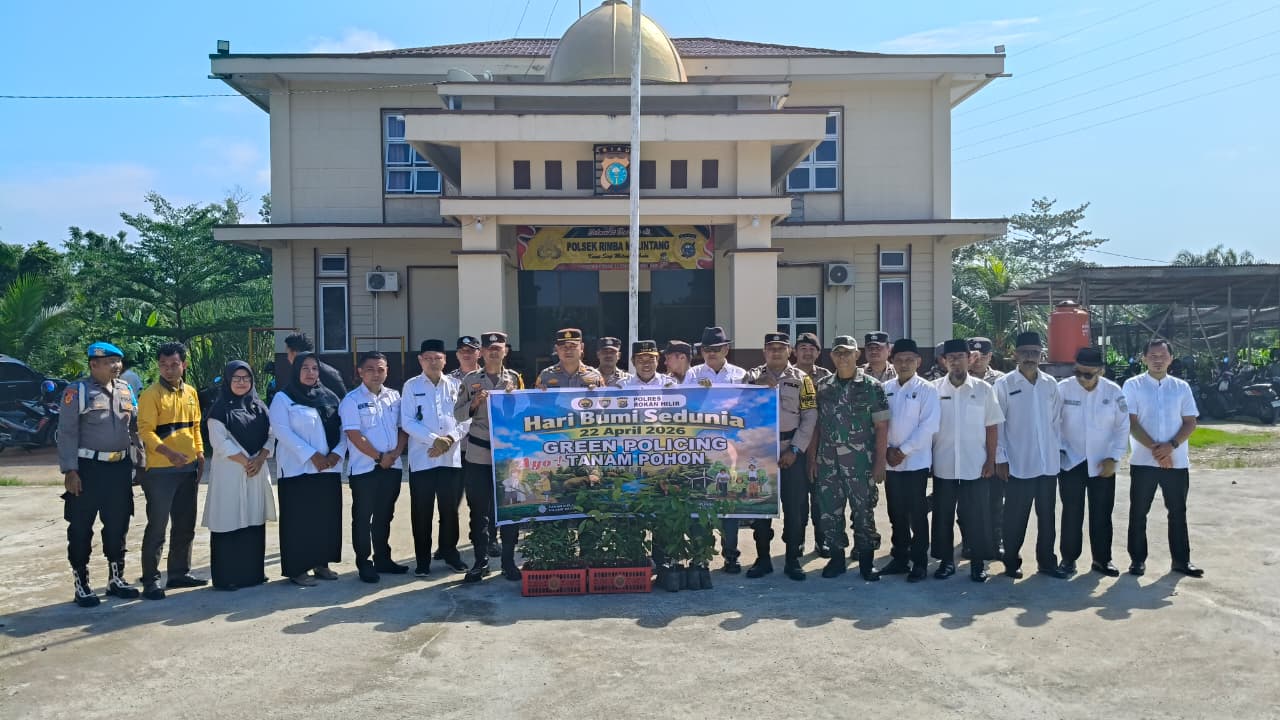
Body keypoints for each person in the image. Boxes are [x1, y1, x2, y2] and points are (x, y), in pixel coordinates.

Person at [57, 342, 143, 607]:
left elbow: (135, 430)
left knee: (118, 523)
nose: (116, 366)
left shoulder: (126, 389)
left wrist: (139, 462)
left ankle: (115, 578)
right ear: (94, 364)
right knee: (81, 527)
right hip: (87, 469)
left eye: (118, 361)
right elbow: (67, 433)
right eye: (109, 362)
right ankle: (81, 582)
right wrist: (70, 470)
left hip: (118, 468)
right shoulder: (78, 391)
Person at [807, 335, 889, 581]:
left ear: (857, 355)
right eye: (838, 352)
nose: (843, 357)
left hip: (860, 462)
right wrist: (812, 460)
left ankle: (866, 560)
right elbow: (816, 426)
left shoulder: (872, 386)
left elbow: (882, 427)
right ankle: (837, 558)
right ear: (831, 356)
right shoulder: (822, 386)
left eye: (847, 352)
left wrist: (879, 463)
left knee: (863, 511)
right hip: (828, 462)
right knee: (829, 512)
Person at [1123, 338, 1203, 577]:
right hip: (1143, 461)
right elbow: (1131, 423)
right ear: (1144, 358)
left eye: (1163, 356)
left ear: (1171, 358)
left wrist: (1171, 446)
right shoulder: (1132, 385)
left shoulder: (1181, 387)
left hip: (1176, 462)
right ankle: (1137, 560)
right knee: (1138, 512)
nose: (1158, 360)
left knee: (1178, 511)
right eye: (1153, 356)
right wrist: (1158, 452)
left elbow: (1190, 422)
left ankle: (1181, 561)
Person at [743, 332, 818, 581]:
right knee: (761, 507)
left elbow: (809, 416)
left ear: (790, 352)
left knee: (794, 508)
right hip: (761, 452)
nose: (776, 352)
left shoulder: (802, 379)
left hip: (791, 450)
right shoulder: (751, 377)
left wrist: (796, 449)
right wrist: (757, 388)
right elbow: (738, 409)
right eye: (771, 348)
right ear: (764, 352)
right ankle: (762, 558)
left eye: (781, 348)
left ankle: (792, 559)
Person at [994, 331, 1068, 579]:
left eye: (1034, 353)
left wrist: (1057, 451)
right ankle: (1011, 561)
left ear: (1041, 355)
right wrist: (1000, 457)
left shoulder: (1050, 384)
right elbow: (998, 425)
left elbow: (1057, 421)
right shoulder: (1004, 385)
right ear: (1015, 355)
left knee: (1047, 517)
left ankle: (1047, 562)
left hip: (1048, 463)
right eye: (1024, 352)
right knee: (1015, 516)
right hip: (1018, 462)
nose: (1029, 357)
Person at [269, 352, 347, 586]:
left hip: (328, 469)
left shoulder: (331, 397)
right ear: (296, 371)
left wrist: (336, 454)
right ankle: (297, 569)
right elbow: (282, 431)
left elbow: (344, 429)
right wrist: (312, 455)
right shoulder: (283, 398)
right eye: (305, 368)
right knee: (299, 520)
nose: (311, 373)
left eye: (314, 368)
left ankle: (322, 564)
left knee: (325, 518)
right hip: (297, 470)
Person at [137, 342, 207, 600]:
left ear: (184, 365)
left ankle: (178, 573)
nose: (169, 369)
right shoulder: (151, 395)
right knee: (157, 525)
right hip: (160, 471)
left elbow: (195, 426)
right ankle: (151, 580)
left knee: (185, 523)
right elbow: (145, 431)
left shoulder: (190, 392)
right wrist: (169, 453)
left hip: (188, 468)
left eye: (174, 364)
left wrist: (199, 454)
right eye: (164, 365)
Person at [455, 331, 525, 582]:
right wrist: (474, 404)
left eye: (499, 348)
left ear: (505, 351)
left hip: (507, 454)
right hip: (479, 453)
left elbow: (524, 416)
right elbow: (459, 415)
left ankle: (508, 563)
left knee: (510, 509)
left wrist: (512, 398)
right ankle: (480, 562)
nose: (494, 352)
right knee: (479, 511)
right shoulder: (471, 379)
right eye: (489, 348)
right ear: (482, 352)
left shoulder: (515, 379)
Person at [931, 339, 1003, 582]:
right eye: (949, 357)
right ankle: (945, 562)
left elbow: (992, 427)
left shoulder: (983, 389)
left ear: (969, 358)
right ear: (944, 361)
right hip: (944, 464)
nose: (955, 361)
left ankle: (978, 563)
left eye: (959, 356)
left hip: (975, 465)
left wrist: (991, 460)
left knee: (977, 515)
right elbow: (930, 429)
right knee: (943, 516)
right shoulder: (934, 390)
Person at [202, 361, 275, 591]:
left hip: (256, 470)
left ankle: (253, 573)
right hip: (231, 472)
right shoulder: (219, 410)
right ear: (227, 380)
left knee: (254, 518)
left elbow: (273, 435)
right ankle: (227, 577)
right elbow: (219, 443)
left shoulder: (260, 407)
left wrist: (260, 458)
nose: (242, 382)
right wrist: (247, 462)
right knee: (229, 519)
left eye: (246, 378)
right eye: (236, 378)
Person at [1058, 346, 1129, 577]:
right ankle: (1068, 560)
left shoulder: (1114, 392)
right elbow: (1053, 424)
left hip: (1103, 462)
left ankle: (1102, 559)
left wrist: (1115, 457)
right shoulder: (1062, 390)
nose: (1081, 378)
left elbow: (1122, 427)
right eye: (1077, 372)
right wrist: (1062, 451)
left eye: (1088, 374)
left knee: (1102, 513)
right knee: (1071, 513)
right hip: (1071, 461)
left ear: (1101, 371)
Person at [402, 339, 470, 575]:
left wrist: (449, 440)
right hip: (423, 459)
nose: (432, 362)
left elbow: (466, 418)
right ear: (420, 360)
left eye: (437, 358)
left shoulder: (455, 384)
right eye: (428, 358)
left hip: (450, 459)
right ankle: (422, 561)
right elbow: (407, 421)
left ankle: (451, 554)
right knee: (422, 511)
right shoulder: (411, 386)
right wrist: (434, 440)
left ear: (445, 360)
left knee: (450, 510)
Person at [340, 351, 408, 583]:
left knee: (384, 516)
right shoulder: (351, 400)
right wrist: (380, 457)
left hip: (392, 466)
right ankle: (364, 562)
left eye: (381, 369)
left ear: (387, 371)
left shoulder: (395, 397)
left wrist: (395, 454)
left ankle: (383, 559)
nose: (376, 374)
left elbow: (402, 428)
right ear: (360, 372)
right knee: (362, 517)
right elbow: (354, 434)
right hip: (365, 469)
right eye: (370, 369)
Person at [688, 326, 748, 573]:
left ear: (726, 349)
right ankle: (700, 555)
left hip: (730, 445)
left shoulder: (741, 375)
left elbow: (749, 409)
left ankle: (731, 555)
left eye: (716, 349)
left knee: (728, 502)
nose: (711, 353)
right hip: (700, 446)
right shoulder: (691, 376)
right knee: (700, 501)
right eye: (706, 349)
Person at [880, 338, 940, 582]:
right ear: (892, 362)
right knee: (896, 513)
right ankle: (900, 558)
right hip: (890, 462)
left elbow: (929, 427)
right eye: (899, 360)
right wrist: (886, 450)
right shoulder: (886, 388)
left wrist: (902, 451)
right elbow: (880, 424)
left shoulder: (928, 389)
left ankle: (920, 562)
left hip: (915, 462)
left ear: (918, 361)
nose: (904, 364)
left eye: (909, 360)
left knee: (917, 513)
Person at [793, 332, 833, 557]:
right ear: (795, 351)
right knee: (797, 498)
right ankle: (797, 541)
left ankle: (822, 540)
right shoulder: (787, 375)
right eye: (803, 348)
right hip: (794, 445)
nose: (807, 352)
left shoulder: (827, 377)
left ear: (818, 353)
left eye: (812, 349)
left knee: (820, 498)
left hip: (822, 447)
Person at [536, 328, 604, 390]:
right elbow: (533, 402)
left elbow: (606, 401)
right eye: (563, 347)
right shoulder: (545, 376)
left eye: (573, 346)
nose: (568, 351)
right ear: (557, 349)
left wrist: (597, 394)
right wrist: (540, 395)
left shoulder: (595, 376)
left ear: (582, 347)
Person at [284, 332, 348, 398]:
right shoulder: (298, 373)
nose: (287, 358)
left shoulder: (328, 375)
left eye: (287, 353)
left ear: (294, 353)